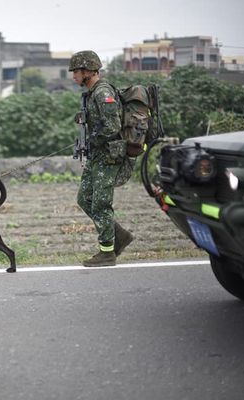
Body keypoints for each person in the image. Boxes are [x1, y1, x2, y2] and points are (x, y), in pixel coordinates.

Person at [70, 51, 134, 267]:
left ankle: (107, 252)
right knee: (84, 198)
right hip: (98, 154)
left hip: (109, 155)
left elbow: (113, 127)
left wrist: (93, 139)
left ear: (88, 71)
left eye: (76, 72)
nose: (74, 77)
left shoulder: (102, 93)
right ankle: (120, 236)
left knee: (100, 204)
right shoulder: (91, 93)